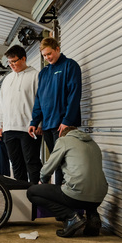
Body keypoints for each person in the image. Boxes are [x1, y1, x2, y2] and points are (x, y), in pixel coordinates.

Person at [27, 126, 108, 238]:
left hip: (77, 195)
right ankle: (93, 216)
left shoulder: (64, 140)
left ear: (61, 134)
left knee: (32, 192)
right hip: (99, 196)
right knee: (86, 187)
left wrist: (43, 180)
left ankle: (71, 217)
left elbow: (49, 167)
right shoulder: (93, 144)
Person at [29, 37, 82, 186]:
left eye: (49, 54)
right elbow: (39, 99)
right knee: (55, 162)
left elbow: (74, 94)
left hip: (63, 125)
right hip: (47, 126)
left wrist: (67, 121)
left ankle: (66, 198)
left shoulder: (70, 66)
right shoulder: (43, 73)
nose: (47, 58)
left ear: (57, 49)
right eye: (44, 56)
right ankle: (58, 197)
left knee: (65, 163)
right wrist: (34, 121)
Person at [0, 45, 42, 184]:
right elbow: (2, 103)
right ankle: (23, 197)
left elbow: (41, 102)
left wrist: (40, 123)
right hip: (9, 129)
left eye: (14, 61)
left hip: (29, 128)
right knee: (16, 166)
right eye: (9, 62)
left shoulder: (35, 76)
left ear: (23, 58)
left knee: (32, 164)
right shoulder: (7, 79)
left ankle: (36, 199)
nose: (12, 65)